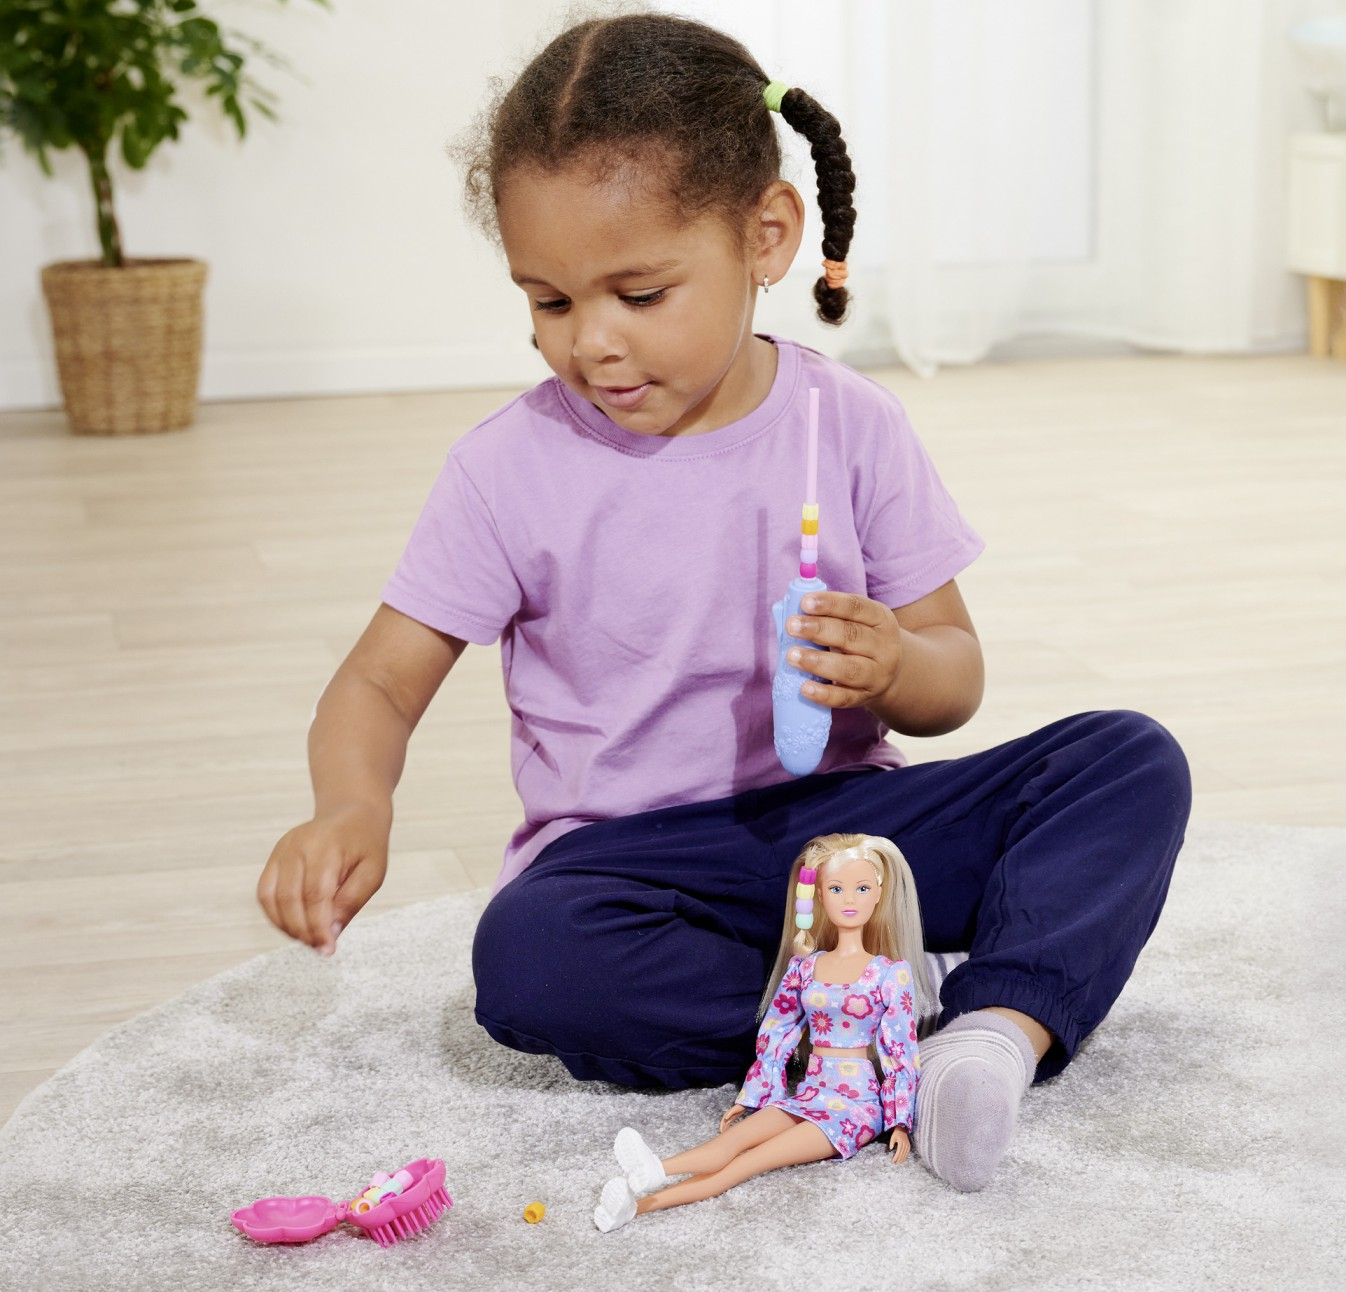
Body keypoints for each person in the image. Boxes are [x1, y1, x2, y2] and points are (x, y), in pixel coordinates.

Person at [255, 11, 1191, 1193]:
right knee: (533, 957)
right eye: (549, 302)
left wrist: (896, 663)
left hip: (850, 839)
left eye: (639, 292)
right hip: (633, 870)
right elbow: (380, 682)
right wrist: (349, 803)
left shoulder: (846, 423)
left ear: (765, 235)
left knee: (1125, 762)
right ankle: (877, 1014)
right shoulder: (505, 469)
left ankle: (994, 1030)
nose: (593, 343)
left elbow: (953, 672)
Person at [594, 834, 930, 1232]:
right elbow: (778, 1031)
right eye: (837, 889)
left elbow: (900, 1050)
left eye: (862, 888)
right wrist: (751, 1095)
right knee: (730, 1143)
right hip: (811, 1091)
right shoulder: (806, 967)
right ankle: (648, 1180)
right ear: (819, 896)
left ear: (878, 895)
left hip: (855, 1106)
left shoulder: (890, 973)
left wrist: (900, 1121)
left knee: (749, 1162)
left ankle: (645, 1198)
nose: (849, 899)